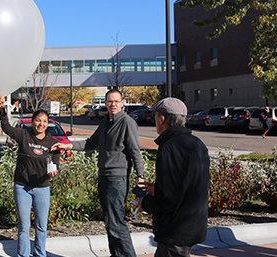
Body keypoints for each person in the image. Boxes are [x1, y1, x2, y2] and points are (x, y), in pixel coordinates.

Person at [51, 89, 144, 257]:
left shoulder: (127, 123)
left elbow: (135, 151)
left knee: (116, 221)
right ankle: (117, 254)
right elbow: (91, 143)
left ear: (122, 103)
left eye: (116, 101)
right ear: (106, 103)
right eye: (109, 101)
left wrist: (140, 176)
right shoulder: (105, 122)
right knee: (110, 221)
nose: (113, 104)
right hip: (104, 176)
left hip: (117, 178)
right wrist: (67, 146)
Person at [136, 97, 210, 257]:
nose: (154, 120)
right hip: (192, 224)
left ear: (162, 119)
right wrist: (155, 188)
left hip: (175, 228)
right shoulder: (197, 144)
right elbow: (187, 185)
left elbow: (168, 198)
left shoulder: (170, 148)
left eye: (155, 116)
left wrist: (145, 203)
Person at [0, 97, 60, 257]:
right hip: (22, 188)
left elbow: (55, 163)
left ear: (48, 124)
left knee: (41, 226)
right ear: (33, 122)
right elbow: (6, 127)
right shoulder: (24, 136)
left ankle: (40, 254)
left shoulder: (52, 143)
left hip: (42, 189)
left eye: (44, 121)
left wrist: (55, 170)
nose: (41, 124)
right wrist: (2, 110)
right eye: (38, 121)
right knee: (24, 227)